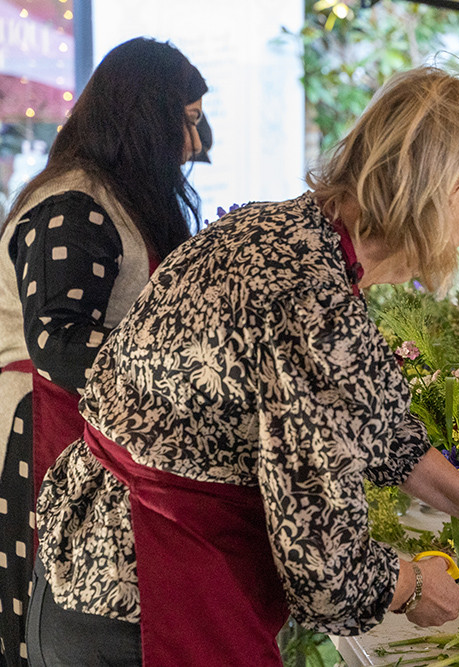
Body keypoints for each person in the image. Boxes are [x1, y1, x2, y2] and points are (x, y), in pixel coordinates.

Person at [27, 66, 459, 666]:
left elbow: (380, 427)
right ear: (446, 190)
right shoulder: (314, 302)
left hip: (83, 575)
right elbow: (322, 562)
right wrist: (409, 585)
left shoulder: (275, 227)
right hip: (151, 599)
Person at [0, 38, 207, 667]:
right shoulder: (73, 202)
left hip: (80, 425)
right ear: (147, 116)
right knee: (41, 619)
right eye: (188, 121)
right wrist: (188, 376)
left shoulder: (105, 195)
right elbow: (58, 341)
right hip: (38, 425)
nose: (196, 145)